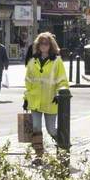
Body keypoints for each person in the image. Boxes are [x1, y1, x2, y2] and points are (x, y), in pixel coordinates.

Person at [23, 31, 69, 164]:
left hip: (50, 100)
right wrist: (26, 98)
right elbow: (28, 81)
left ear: (51, 45)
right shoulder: (32, 61)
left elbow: (62, 80)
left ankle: (64, 147)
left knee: (51, 129)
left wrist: (60, 93)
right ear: (38, 45)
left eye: (46, 43)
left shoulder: (57, 61)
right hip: (35, 100)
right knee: (36, 128)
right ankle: (38, 156)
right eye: (41, 43)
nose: (44, 46)